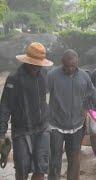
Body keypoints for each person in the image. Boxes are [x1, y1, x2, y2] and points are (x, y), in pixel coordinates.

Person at [48, 49, 96, 180]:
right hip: (56, 125)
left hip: (77, 125)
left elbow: (93, 92)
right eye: (67, 66)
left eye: (73, 66)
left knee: (74, 158)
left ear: (77, 63)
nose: (70, 69)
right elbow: (40, 94)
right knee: (55, 159)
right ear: (62, 63)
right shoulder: (52, 75)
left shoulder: (84, 76)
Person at [0, 42, 53, 180]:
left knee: (41, 168)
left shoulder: (44, 74)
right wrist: (1, 133)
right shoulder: (15, 78)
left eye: (39, 64)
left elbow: (47, 99)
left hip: (42, 128)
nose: (37, 67)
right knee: (22, 169)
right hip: (21, 130)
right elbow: (5, 106)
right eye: (34, 63)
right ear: (27, 61)